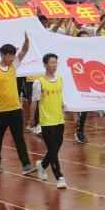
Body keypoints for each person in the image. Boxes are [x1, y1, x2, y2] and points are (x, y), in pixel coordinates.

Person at [0, 38, 36, 175]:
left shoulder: (13, 66)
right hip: (1, 110)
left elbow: (24, 51)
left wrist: (27, 39)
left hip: (15, 109)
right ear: (2, 55)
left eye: (13, 55)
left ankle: (26, 165)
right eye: (9, 55)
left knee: (19, 138)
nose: (12, 58)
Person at [29, 53, 68, 188]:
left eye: (55, 63)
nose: (54, 65)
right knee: (52, 149)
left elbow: (61, 96)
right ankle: (59, 177)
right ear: (45, 65)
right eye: (51, 63)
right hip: (46, 120)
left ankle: (42, 165)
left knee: (56, 148)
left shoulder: (60, 79)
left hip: (59, 118)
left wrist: (64, 104)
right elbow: (34, 102)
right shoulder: (38, 82)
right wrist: (31, 119)